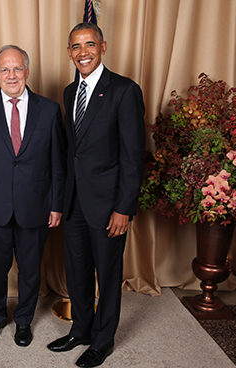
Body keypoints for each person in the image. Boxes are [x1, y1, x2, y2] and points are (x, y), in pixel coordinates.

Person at [46, 23, 145, 367]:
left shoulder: (124, 90)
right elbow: (71, 151)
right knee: (76, 271)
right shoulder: (70, 92)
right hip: (74, 202)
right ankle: (81, 329)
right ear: (69, 51)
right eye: (76, 46)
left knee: (108, 273)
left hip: (108, 205)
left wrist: (124, 208)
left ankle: (103, 341)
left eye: (90, 44)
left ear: (104, 47)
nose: (83, 52)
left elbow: (133, 157)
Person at [0, 45, 66, 347]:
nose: (11, 75)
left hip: (36, 205)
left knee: (31, 270)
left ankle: (23, 321)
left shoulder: (48, 109)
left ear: (27, 72)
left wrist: (56, 204)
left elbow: (58, 163)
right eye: (5, 70)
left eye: (17, 68)